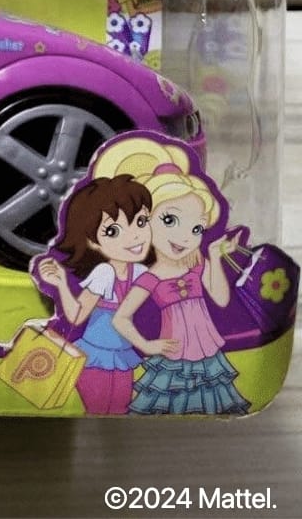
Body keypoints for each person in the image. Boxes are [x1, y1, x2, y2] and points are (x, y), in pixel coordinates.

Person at [101, 137, 249, 415]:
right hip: (173, 357)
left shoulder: (197, 263)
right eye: (169, 220)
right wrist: (147, 345)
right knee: (165, 405)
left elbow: (220, 298)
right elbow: (120, 318)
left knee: (212, 405)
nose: (184, 237)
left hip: (207, 355)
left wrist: (214, 256)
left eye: (196, 229)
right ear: (145, 221)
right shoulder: (150, 278)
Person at [35, 174, 151, 414]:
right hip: (95, 355)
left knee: (120, 409)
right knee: (97, 409)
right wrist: (62, 284)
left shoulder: (139, 272)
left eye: (141, 222)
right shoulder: (104, 273)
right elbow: (77, 316)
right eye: (114, 231)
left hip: (123, 354)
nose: (135, 235)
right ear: (93, 242)